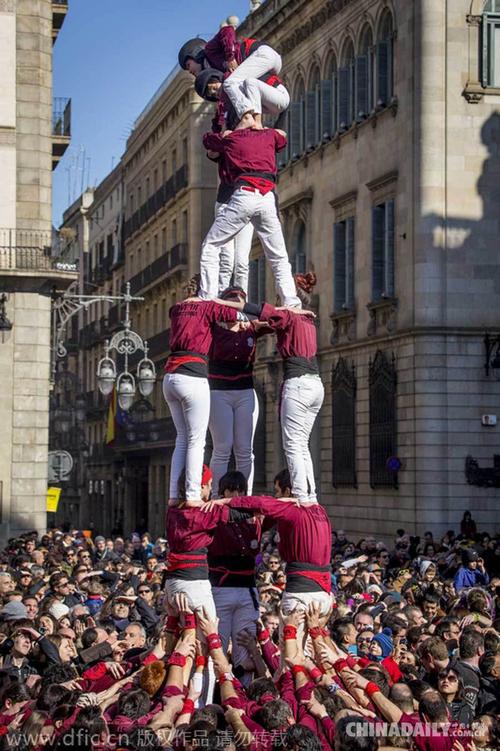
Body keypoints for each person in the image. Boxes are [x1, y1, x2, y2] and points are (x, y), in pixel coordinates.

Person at [162, 276, 256, 503]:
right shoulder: (209, 311)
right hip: (195, 378)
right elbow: (237, 313)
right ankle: (196, 495)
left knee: (183, 439)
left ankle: (175, 495)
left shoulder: (177, 309)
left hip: (170, 376)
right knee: (198, 441)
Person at [200, 116, 301, 307]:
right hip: (267, 198)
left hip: (243, 195)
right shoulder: (269, 135)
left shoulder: (233, 138)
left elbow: (208, 141)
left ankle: (208, 296)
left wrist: (234, 129)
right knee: (278, 255)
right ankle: (291, 301)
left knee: (211, 245)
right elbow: (283, 136)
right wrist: (260, 126)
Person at [208, 286, 270, 494]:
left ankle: (246, 495)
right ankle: (217, 495)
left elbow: (276, 321)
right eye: (232, 300)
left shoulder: (251, 328)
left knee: (245, 450)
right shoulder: (213, 331)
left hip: (245, 391)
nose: (236, 305)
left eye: (239, 300)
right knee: (223, 447)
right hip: (219, 392)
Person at [207, 471, 262, 683]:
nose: (236, 495)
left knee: (245, 646)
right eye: (231, 490)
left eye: (241, 491)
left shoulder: (255, 518)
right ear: (222, 492)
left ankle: (245, 692)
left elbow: (270, 507)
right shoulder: (214, 514)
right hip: (221, 589)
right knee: (216, 647)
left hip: (247, 589)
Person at [178, 28, 289, 125]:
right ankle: (253, 121)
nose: (190, 71)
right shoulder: (215, 72)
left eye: (188, 65)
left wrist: (230, 56)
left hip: (263, 54)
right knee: (243, 92)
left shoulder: (210, 50)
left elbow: (227, 30)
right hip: (271, 68)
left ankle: (248, 119)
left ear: (195, 54)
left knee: (229, 84)